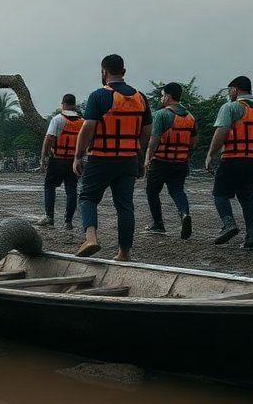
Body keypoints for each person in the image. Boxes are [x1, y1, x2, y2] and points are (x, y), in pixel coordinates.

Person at [73, 54, 152, 262]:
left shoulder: (99, 96)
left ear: (104, 72)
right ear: (123, 72)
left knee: (88, 198)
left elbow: (88, 128)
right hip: (128, 159)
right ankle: (124, 253)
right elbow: (147, 131)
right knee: (125, 206)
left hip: (101, 158)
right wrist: (140, 157)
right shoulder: (141, 98)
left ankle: (91, 238)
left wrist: (78, 156)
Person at [205, 75, 253, 249]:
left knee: (220, 194)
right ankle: (252, 234)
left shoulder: (230, 107)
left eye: (230, 90)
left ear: (235, 89)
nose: (229, 93)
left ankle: (229, 224)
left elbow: (222, 131)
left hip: (232, 158)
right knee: (247, 197)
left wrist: (210, 154)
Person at [143, 82, 195, 239]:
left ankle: (158, 224)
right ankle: (184, 213)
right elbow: (194, 140)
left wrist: (148, 157)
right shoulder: (190, 117)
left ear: (168, 96)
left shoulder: (161, 115)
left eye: (162, 95)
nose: (161, 98)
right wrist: (185, 154)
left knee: (152, 191)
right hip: (181, 162)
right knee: (177, 190)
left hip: (160, 161)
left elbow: (154, 139)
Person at [37, 94, 82, 229]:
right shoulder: (82, 121)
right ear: (74, 105)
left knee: (50, 186)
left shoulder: (57, 119)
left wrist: (43, 158)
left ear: (63, 104)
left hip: (57, 159)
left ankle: (49, 216)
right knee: (71, 190)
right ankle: (68, 221)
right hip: (73, 161)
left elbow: (48, 138)